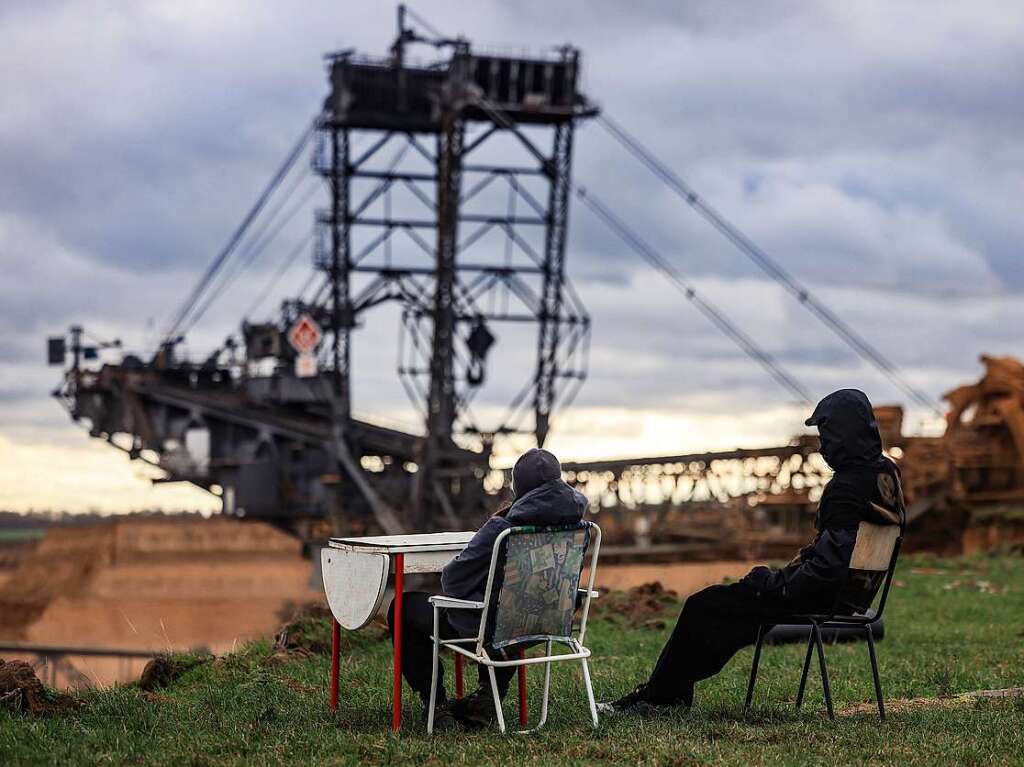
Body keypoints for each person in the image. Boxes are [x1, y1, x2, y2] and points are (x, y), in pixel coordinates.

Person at [600, 388, 905, 715]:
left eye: (828, 435)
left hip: (822, 595)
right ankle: (668, 692)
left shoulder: (846, 487)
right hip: (858, 594)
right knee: (736, 612)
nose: (823, 446)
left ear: (846, 433)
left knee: (703, 605)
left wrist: (778, 584)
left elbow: (825, 571)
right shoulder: (885, 473)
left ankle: (661, 699)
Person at [386, 447, 587, 730]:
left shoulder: (503, 527)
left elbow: (453, 581)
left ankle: (436, 705)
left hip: (495, 627)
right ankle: (487, 699)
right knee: (508, 607)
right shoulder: (578, 527)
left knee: (402, 607)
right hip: (548, 622)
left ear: (519, 487)